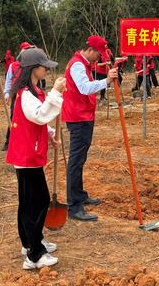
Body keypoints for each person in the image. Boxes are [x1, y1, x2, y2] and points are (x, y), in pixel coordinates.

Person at [5, 48, 65, 270]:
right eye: (44, 66)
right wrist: (57, 93)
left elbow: (38, 119)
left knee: (29, 202)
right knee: (37, 202)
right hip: (26, 155)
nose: (47, 69)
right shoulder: (25, 94)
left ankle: (30, 241)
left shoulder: (33, 91)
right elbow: (38, 115)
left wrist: (49, 134)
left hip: (30, 152)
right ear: (34, 68)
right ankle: (34, 256)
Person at [62, 35, 118, 221]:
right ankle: (74, 207)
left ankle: (80, 195)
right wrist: (106, 81)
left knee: (80, 158)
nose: (99, 58)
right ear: (90, 50)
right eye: (98, 55)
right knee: (76, 161)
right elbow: (84, 88)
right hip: (78, 117)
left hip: (84, 115)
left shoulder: (84, 63)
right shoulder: (77, 65)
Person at [3, 42, 35, 151]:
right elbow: (8, 81)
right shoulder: (13, 65)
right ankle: (9, 141)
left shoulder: (33, 65)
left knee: (30, 117)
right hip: (16, 96)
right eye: (25, 50)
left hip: (30, 95)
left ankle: (29, 140)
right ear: (21, 51)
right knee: (14, 118)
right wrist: (7, 93)